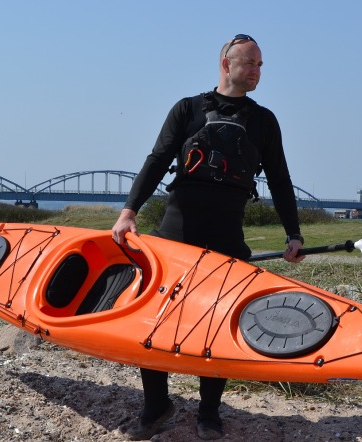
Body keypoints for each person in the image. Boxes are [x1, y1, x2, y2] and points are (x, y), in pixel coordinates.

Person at [112, 34, 305, 441]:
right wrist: (128, 212)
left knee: (218, 324)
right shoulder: (187, 109)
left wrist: (294, 233)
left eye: (260, 65)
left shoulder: (263, 120)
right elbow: (157, 159)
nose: (256, 71)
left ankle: (210, 412)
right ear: (226, 63)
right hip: (176, 232)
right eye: (250, 63)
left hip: (227, 238)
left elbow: (280, 179)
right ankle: (156, 403)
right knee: (156, 317)